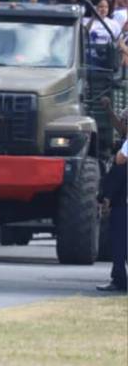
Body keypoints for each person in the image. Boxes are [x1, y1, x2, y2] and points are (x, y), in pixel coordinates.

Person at [97, 98, 127, 293]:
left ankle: (119, 280)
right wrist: (109, 111)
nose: (122, 123)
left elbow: (120, 159)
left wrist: (106, 197)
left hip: (123, 204)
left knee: (118, 243)